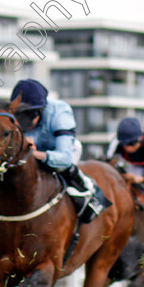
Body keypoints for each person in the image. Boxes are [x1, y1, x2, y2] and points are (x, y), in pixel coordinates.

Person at [10, 78, 104, 222]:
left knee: (64, 169)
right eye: (19, 115)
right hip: (35, 152)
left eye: (28, 115)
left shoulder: (60, 112)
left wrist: (35, 153)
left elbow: (64, 158)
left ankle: (88, 192)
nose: (24, 123)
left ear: (40, 110)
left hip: (64, 152)